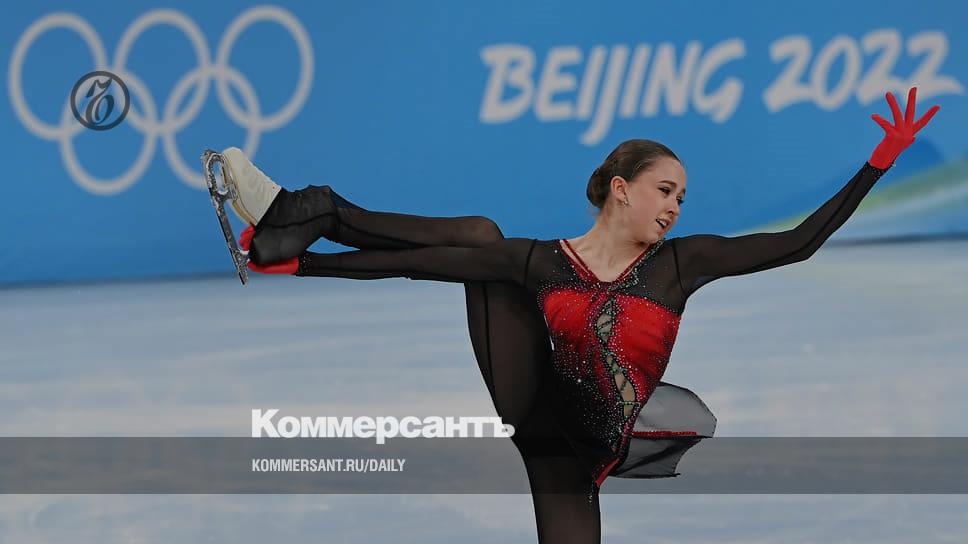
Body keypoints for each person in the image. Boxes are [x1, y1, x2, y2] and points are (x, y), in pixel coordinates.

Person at [218, 87, 938, 543]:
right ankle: (311, 216)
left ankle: (306, 217)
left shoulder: (681, 264)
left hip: (586, 451)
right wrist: (309, 267)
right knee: (477, 240)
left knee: (478, 242)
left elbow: (797, 243)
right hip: (538, 412)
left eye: (682, 197)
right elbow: (425, 264)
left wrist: (878, 162)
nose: (675, 206)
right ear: (621, 189)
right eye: (665, 190)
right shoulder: (545, 262)